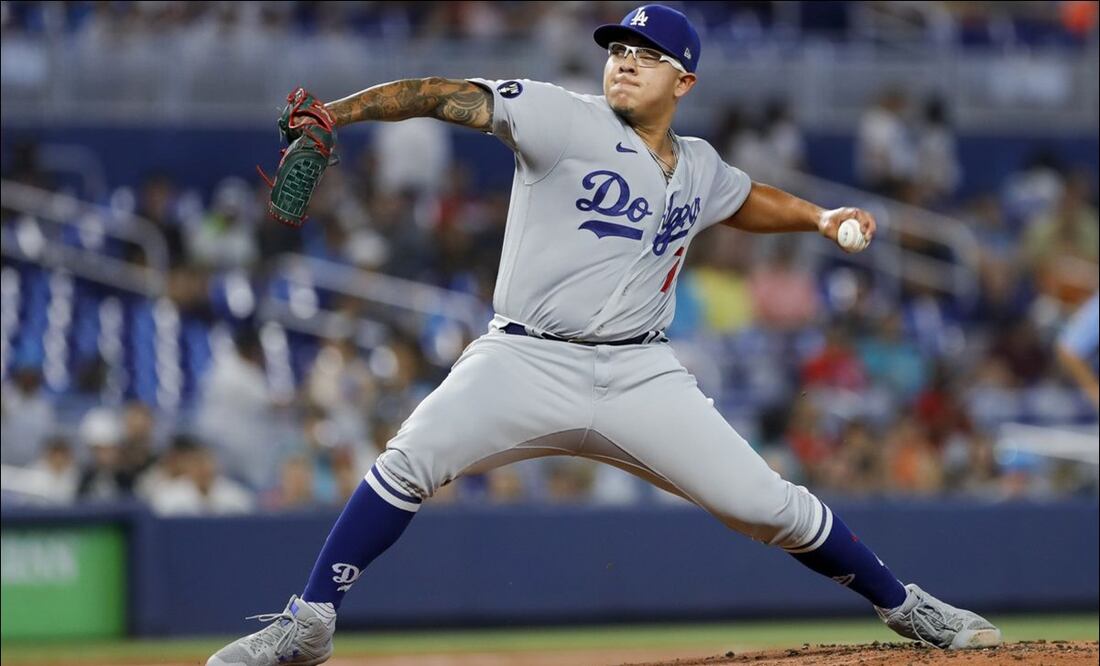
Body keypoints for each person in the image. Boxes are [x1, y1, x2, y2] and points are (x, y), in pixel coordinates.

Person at [208, 7, 1000, 665]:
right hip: (524, 356)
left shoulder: (697, 165)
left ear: (684, 81)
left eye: (647, 56)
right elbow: (445, 94)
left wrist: (820, 217)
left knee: (769, 506)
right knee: (409, 459)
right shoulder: (561, 116)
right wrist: (340, 112)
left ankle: (906, 606)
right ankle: (310, 622)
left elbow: (744, 197)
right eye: (619, 49)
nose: (625, 62)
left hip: (641, 375)